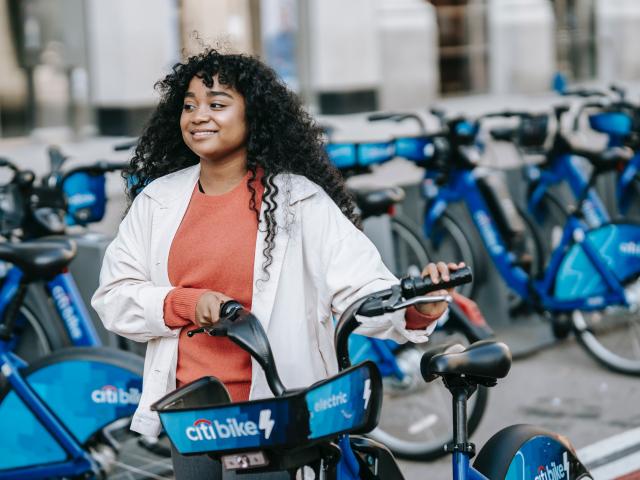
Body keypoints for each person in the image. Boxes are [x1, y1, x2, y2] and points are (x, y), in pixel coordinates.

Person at [91, 48, 463, 479]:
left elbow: (361, 291)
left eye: (217, 104)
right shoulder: (158, 201)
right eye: (189, 105)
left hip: (275, 417)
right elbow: (113, 298)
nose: (198, 116)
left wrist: (418, 307)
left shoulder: (298, 200)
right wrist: (186, 304)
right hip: (194, 420)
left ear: (254, 116)